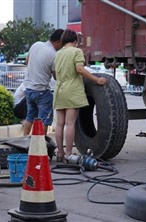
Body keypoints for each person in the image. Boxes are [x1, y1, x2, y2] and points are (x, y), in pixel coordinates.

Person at [53, 29, 108, 163]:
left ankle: (60, 153)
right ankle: (69, 154)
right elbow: (80, 69)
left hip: (59, 89)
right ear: (74, 41)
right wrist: (96, 80)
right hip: (72, 89)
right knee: (70, 124)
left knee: (59, 124)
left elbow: (54, 74)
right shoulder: (76, 51)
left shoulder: (58, 54)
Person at [23, 29, 64, 135]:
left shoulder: (36, 45)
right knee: (44, 120)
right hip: (42, 91)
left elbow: (27, 61)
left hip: (29, 89)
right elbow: (56, 77)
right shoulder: (54, 54)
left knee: (30, 117)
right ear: (58, 41)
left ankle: (23, 141)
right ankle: (40, 145)